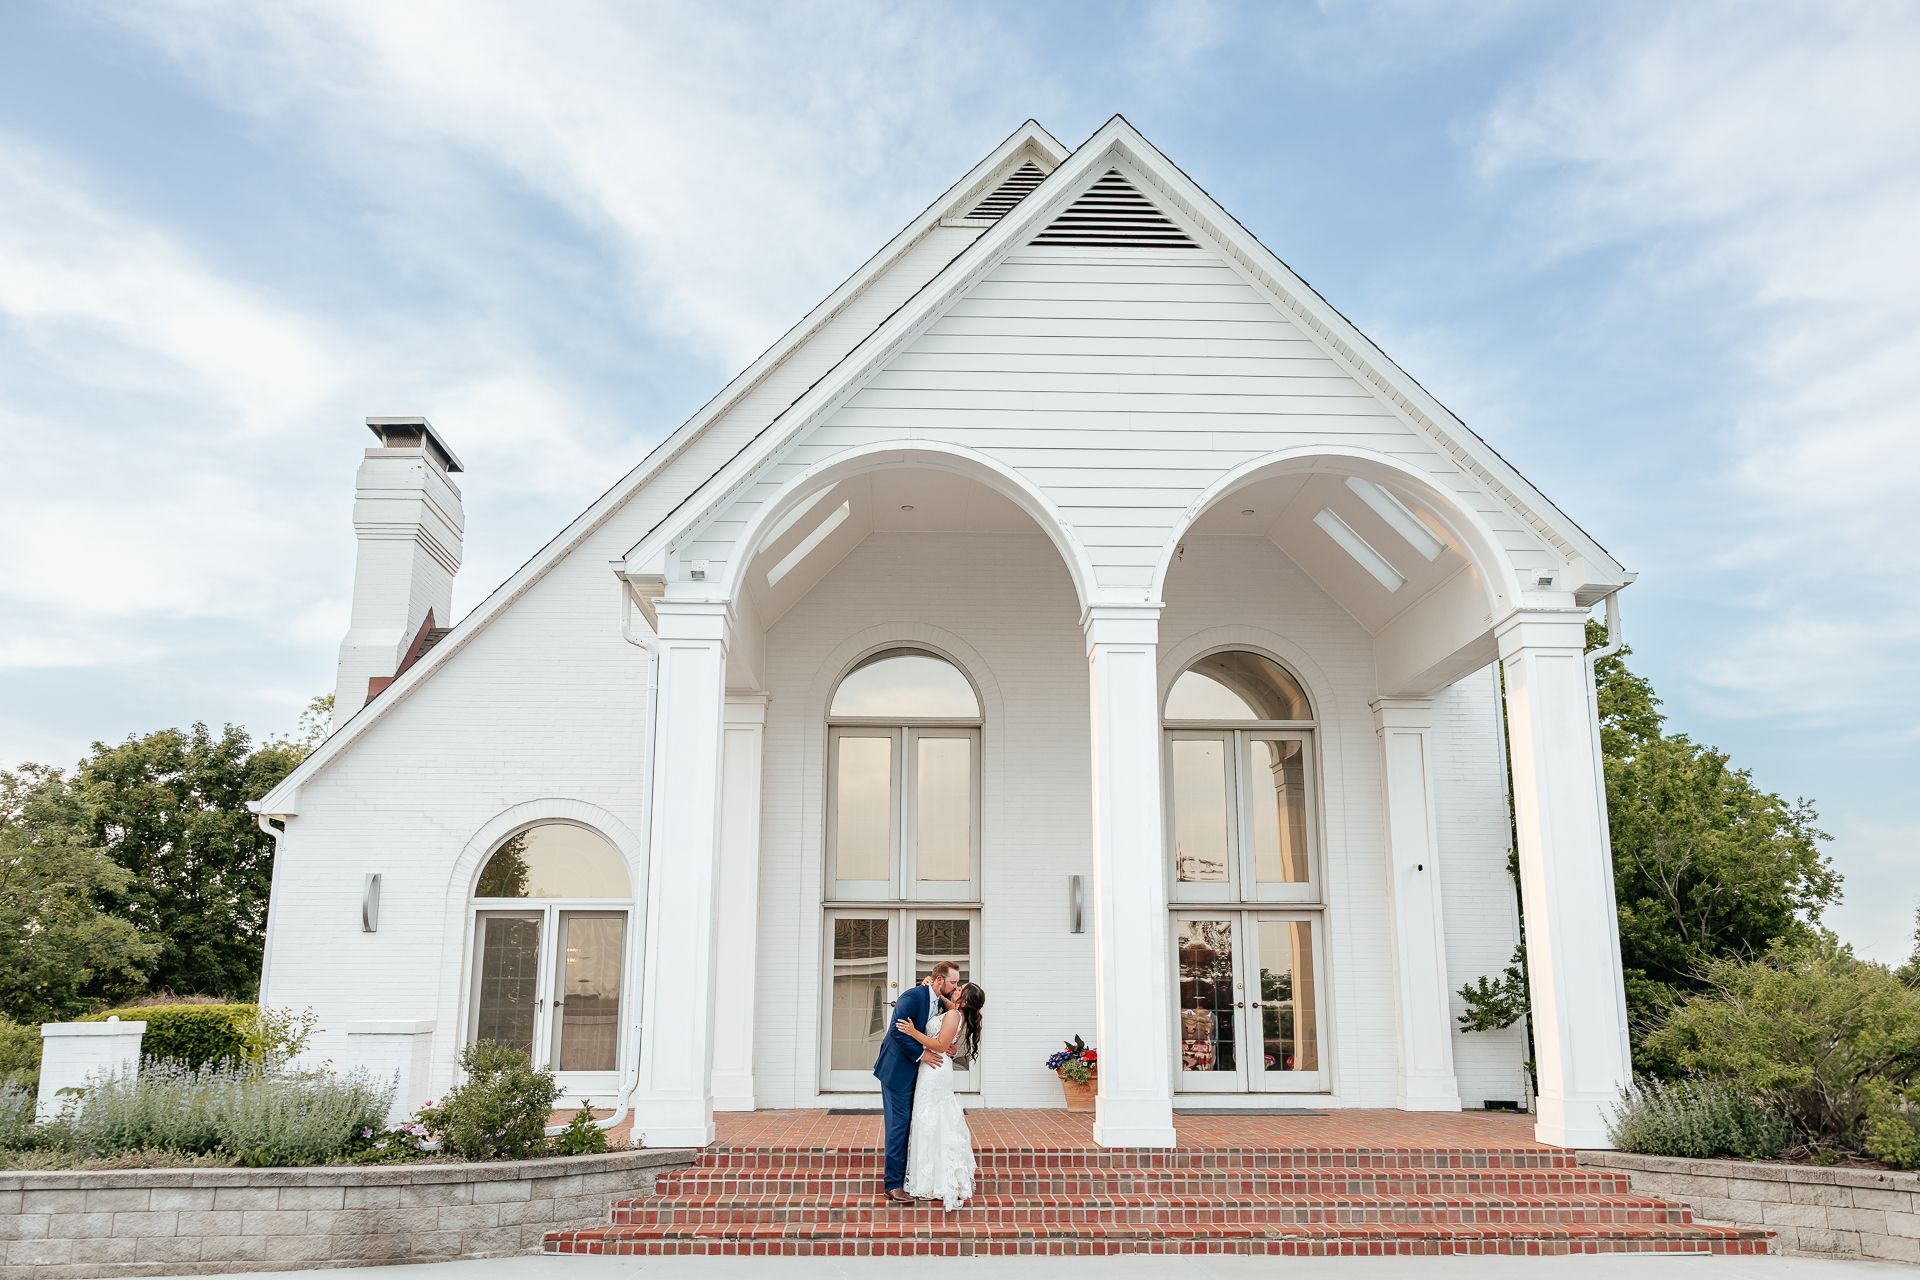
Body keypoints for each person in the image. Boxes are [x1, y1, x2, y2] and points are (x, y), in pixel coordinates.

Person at [893, 973, 986, 1211]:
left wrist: (913, 1032)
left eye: (959, 988)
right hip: (933, 1068)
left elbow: (942, 1046)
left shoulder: (955, 1014)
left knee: (931, 1120)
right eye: (954, 984)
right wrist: (929, 986)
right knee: (929, 1119)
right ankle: (929, 1176)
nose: (955, 988)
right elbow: (944, 1004)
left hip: (934, 1068)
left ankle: (933, 1180)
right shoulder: (956, 1011)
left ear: (963, 1000)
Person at [872, 961, 958, 1204]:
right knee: (898, 1125)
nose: (955, 986)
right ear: (939, 980)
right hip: (897, 1071)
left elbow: (939, 1031)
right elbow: (899, 1032)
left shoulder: (940, 1000)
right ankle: (893, 1185)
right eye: (952, 982)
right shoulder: (912, 996)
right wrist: (922, 1054)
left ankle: (907, 1177)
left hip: (918, 1074)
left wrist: (945, 1046)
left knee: (911, 1123)